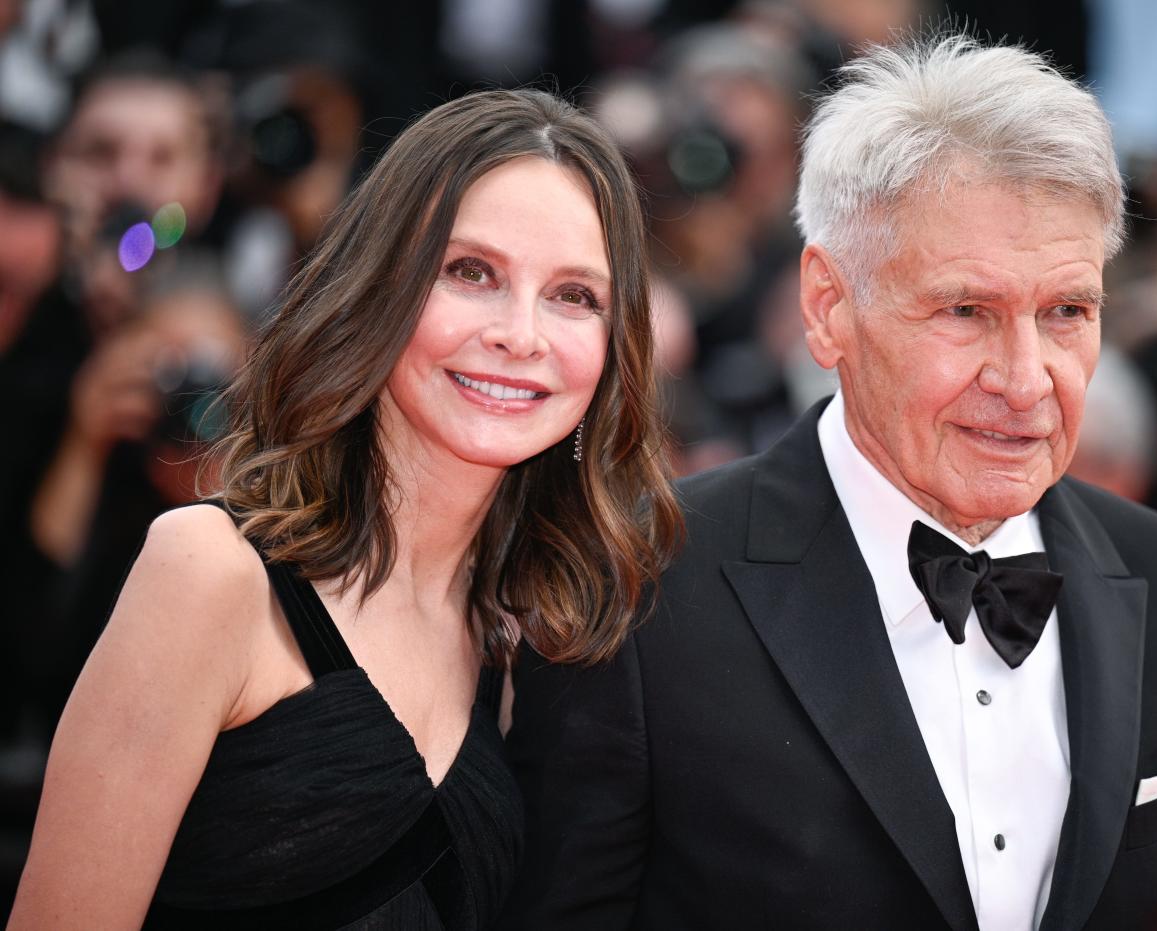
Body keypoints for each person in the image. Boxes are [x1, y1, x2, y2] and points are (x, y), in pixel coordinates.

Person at [502, 35, 1157, 931]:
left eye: (1065, 312)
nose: (1025, 377)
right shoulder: (638, 585)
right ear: (828, 308)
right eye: (965, 310)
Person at [10, 88, 682, 930]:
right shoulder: (211, 574)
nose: (522, 333)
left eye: (574, 295)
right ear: (382, 287)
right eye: (470, 272)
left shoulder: (520, 639)